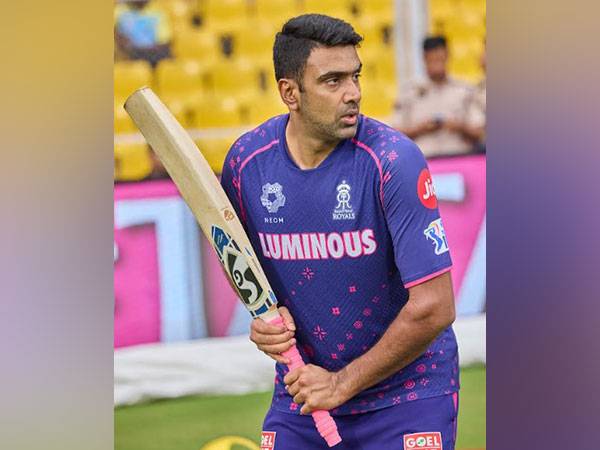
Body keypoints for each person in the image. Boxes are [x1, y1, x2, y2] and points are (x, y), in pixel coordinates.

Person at [221, 14, 458, 450]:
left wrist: (341, 383)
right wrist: (265, 320)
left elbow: (435, 307)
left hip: (407, 397)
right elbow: (241, 264)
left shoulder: (393, 162)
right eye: (333, 81)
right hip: (306, 397)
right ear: (289, 92)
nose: (353, 94)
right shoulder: (245, 164)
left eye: (355, 76)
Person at [393, 35, 481, 158]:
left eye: (440, 60)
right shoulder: (410, 92)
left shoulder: (465, 91)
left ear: (447, 56)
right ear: (424, 59)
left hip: (459, 161)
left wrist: (458, 126)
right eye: (432, 60)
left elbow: (479, 132)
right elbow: (395, 134)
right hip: (423, 162)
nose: (437, 65)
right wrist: (421, 128)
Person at [114, 0, 172, 68]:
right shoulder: (118, 11)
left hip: (151, 57)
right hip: (126, 58)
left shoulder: (159, 12)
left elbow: (163, 42)